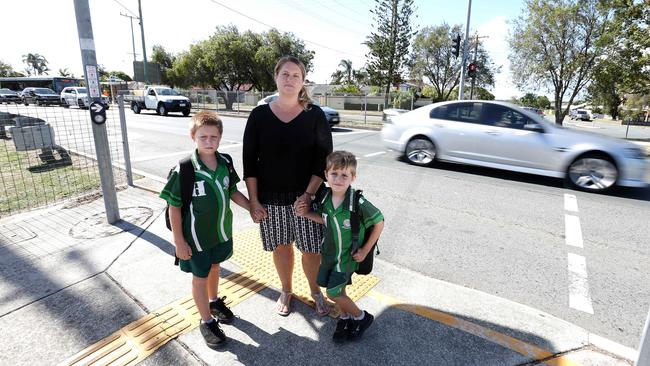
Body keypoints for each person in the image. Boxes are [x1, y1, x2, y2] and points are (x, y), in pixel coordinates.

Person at [242, 56, 333, 317]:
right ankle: (286, 290)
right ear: (276, 77)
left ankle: (315, 291)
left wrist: (308, 194)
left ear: (303, 81)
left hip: (306, 200)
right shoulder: (259, 115)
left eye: (296, 75)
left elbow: (323, 160)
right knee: (282, 247)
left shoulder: (314, 115)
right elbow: (250, 161)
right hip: (271, 198)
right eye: (285, 74)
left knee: (311, 250)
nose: (290, 79)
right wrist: (254, 201)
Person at [160, 111, 251, 348]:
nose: (209, 141)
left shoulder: (225, 163)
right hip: (196, 240)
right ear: (193, 136)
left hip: (220, 235)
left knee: (214, 267)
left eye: (214, 137)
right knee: (199, 278)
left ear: (220, 138)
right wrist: (179, 241)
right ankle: (206, 320)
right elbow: (174, 208)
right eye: (203, 137)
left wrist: (251, 207)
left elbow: (232, 191)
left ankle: (213, 301)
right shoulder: (185, 170)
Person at [295, 151, 384, 342]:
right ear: (326, 175)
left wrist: (365, 249)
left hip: (347, 258)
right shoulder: (325, 197)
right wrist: (307, 214)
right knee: (338, 290)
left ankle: (361, 317)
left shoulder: (356, 202)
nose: (338, 179)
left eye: (345, 175)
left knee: (333, 292)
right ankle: (345, 319)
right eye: (334, 174)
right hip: (329, 255)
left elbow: (379, 222)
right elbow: (326, 219)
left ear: (353, 177)